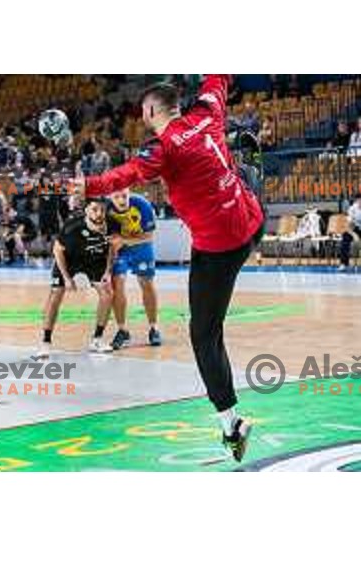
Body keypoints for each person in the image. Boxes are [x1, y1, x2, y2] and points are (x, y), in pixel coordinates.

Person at [76, 75, 265, 462]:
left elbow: (126, 174)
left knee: (204, 334)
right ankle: (248, 171)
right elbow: (218, 79)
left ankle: (231, 423)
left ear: (149, 112)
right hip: (251, 222)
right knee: (234, 182)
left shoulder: (162, 148)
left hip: (220, 246)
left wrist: (91, 185)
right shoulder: (208, 111)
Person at [37, 198, 115, 358]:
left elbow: (112, 249)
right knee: (56, 294)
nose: (99, 213)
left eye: (102, 210)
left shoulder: (111, 224)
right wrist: (66, 278)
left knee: (107, 294)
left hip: (94, 260)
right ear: (86, 210)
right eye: (94, 209)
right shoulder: (72, 225)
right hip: (69, 259)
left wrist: (108, 271)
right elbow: (57, 250)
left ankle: (97, 339)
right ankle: (45, 342)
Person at [104, 188, 162, 350]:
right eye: (117, 196)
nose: (122, 200)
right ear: (110, 197)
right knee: (117, 283)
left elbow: (149, 236)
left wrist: (123, 240)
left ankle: (154, 327)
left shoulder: (142, 205)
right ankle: (122, 330)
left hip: (141, 244)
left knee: (147, 283)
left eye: (124, 195)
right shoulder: (105, 209)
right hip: (120, 249)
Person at [339, 193, 361, 271]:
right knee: (345, 238)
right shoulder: (352, 209)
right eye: (359, 200)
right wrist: (354, 235)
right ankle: (344, 264)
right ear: (356, 200)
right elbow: (349, 226)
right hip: (354, 229)